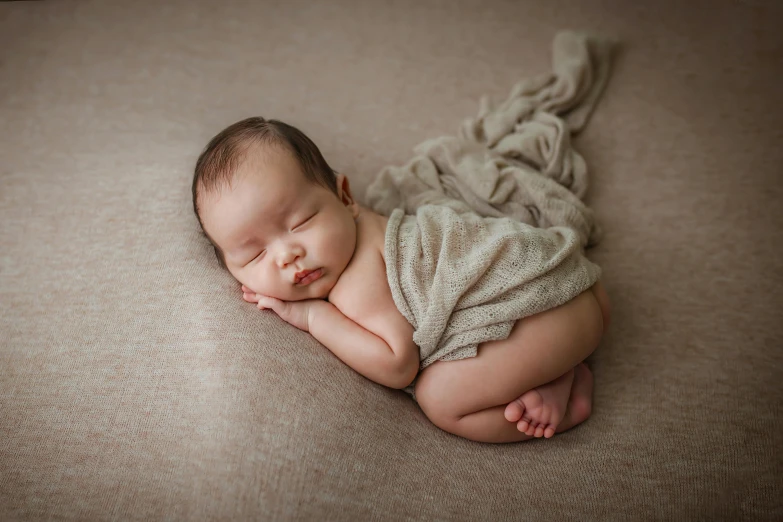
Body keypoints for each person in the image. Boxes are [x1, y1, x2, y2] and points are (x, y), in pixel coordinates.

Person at [192, 117, 611, 443]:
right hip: (564, 288)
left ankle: (568, 392)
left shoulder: (358, 281)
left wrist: (313, 318)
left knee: (441, 400)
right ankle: (557, 368)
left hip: (558, 307)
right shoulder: (367, 227)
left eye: (301, 222)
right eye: (255, 254)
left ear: (345, 197)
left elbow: (397, 365)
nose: (287, 255)